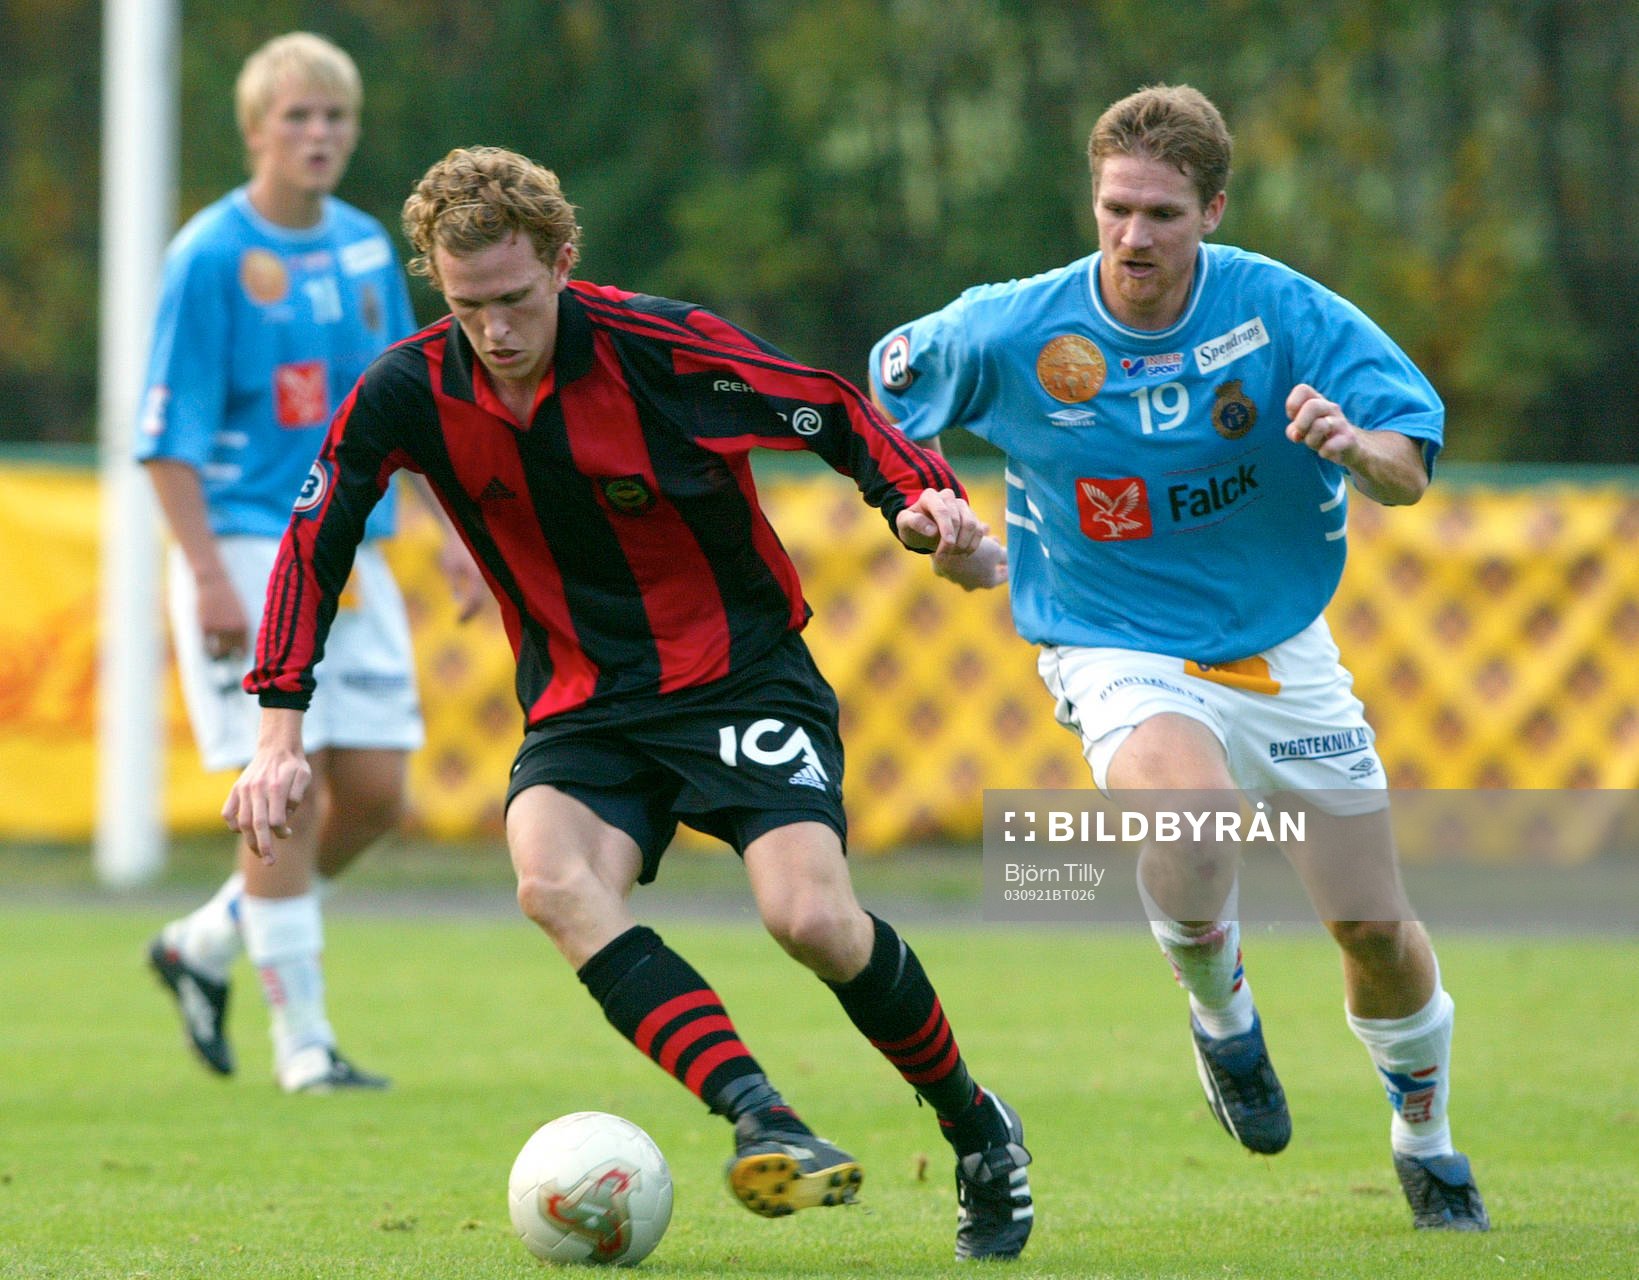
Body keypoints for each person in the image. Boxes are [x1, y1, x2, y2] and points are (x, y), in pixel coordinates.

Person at [222, 145, 1035, 1261]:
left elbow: (834, 411)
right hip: (582, 703)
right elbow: (317, 538)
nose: (496, 331)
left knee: (810, 919)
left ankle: (976, 1125)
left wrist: (919, 505)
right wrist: (277, 731)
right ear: (437, 290)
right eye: (469, 307)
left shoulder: (663, 352)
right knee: (551, 881)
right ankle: (763, 1112)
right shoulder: (407, 388)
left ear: (561, 261)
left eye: (515, 298)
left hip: (741, 673)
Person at [869, 84, 1487, 1232]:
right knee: (1193, 819)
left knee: (1374, 930)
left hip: (1277, 645)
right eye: (1115, 209)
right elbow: (888, 415)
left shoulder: (1285, 312)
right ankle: (1221, 1019)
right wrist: (932, 521)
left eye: (1161, 212)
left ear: (1212, 208)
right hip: (1110, 640)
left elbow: (1408, 457)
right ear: (1092, 201)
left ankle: (1425, 1140)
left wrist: (1355, 447)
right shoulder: (1015, 326)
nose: (1134, 236)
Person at [138, 33, 479, 1094]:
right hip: (246, 538)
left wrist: (457, 535)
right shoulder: (207, 255)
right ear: (256, 131)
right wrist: (203, 571)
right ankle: (306, 1044)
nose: (319, 133)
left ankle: (205, 936)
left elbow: (402, 413)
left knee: (374, 791)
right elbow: (165, 433)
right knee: (279, 789)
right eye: (298, 116)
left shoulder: (369, 248)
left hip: (353, 547)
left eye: (335, 116)